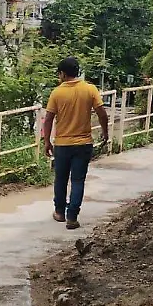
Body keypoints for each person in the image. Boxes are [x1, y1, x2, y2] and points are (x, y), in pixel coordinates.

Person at [42, 57, 109, 230]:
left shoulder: (57, 92)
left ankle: (59, 212)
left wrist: (47, 141)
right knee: (78, 180)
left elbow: (48, 119)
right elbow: (102, 113)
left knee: (61, 179)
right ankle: (72, 216)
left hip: (62, 144)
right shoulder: (90, 89)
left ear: (62, 74)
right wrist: (105, 132)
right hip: (84, 144)